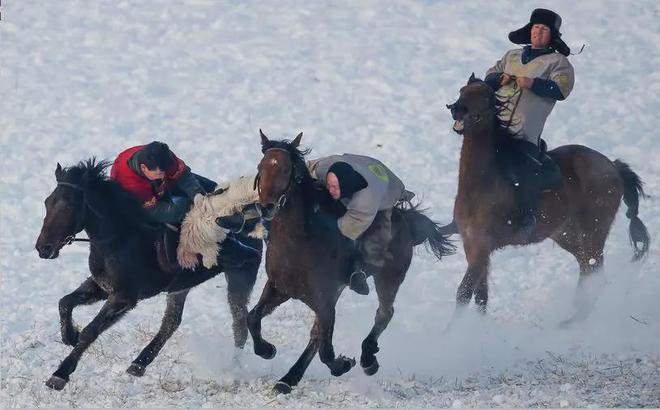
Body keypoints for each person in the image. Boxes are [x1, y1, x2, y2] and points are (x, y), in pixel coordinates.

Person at [443, 9, 574, 236]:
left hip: (525, 132)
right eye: (535, 28)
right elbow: (488, 78)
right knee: (472, 166)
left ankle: (526, 216)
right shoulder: (511, 57)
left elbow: (561, 89)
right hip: (496, 128)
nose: (537, 33)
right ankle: (461, 216)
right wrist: (498, 79)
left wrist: (532, 83)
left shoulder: (558, 63)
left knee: (524, 169)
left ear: (551, 36)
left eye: (543, 30)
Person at [307, 154, 413, 295]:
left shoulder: (364, 203)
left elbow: (344, 229)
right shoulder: (324, 168)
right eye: (329, 184)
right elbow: (306, 168)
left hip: (389, 190)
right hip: (364, 164)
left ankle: (357, 271)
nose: (330, 189)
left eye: (335, 187)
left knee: (371, 236)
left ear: (346, 189)